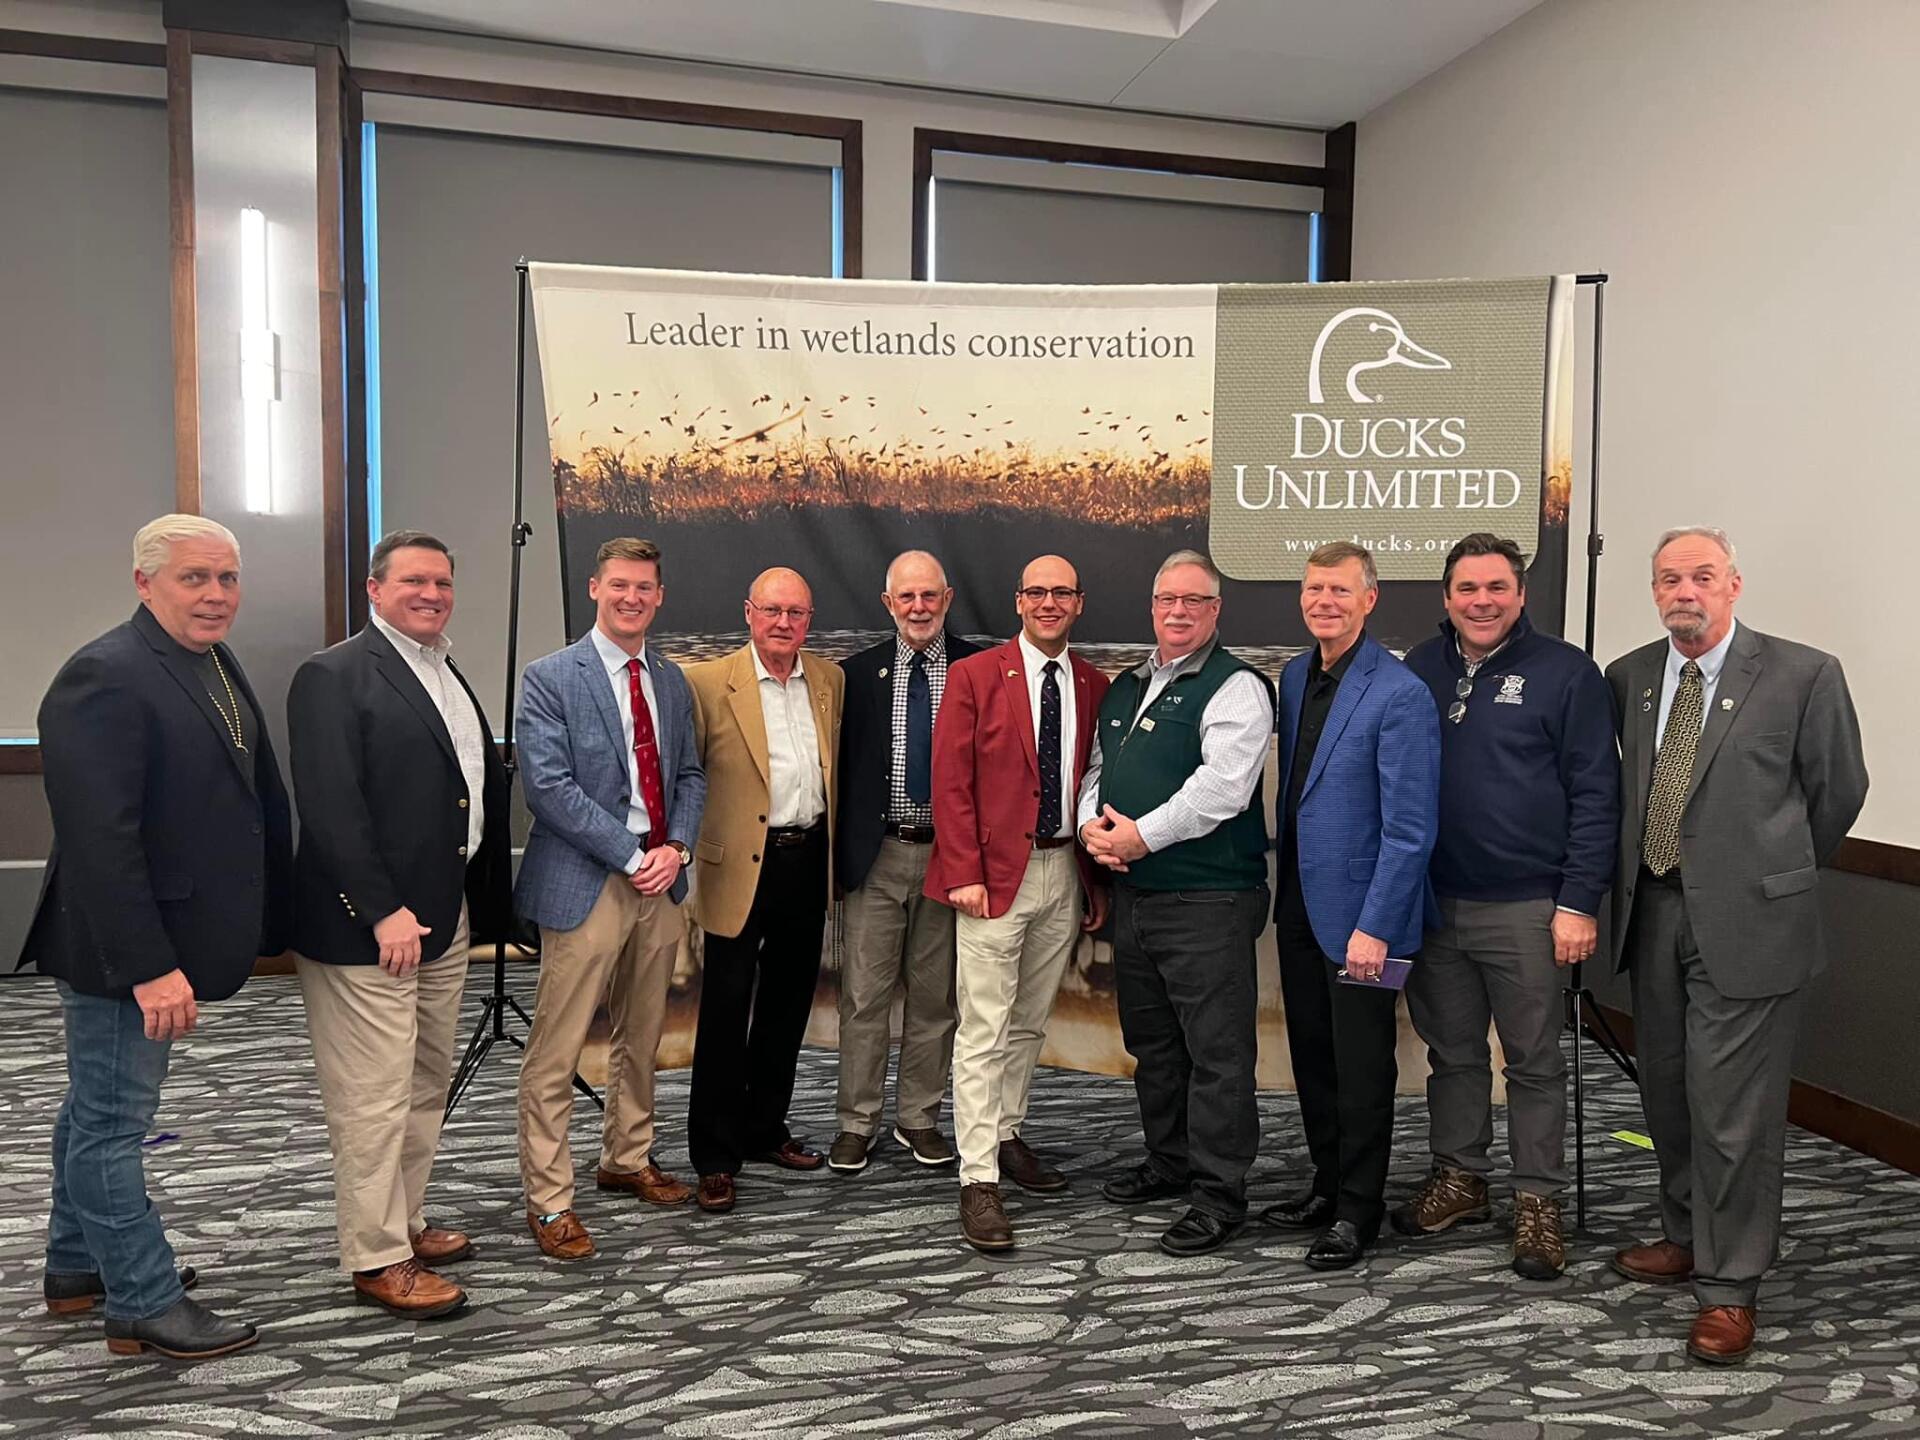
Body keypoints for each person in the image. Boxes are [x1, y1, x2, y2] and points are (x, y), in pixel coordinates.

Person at [21, 514, 292, 1359]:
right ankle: (141, 1300)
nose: (216, 596)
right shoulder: (103, 676)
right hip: (122, 952)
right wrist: (149, 968)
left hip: (166, 938)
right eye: (194, 579)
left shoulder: (204, 657)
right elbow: (102, 844)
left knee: (94, 1107)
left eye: (227, 579)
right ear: (145, 583)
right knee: (113, 1123)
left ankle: (74, 1265)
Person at [1605, 526, 1866, 1365]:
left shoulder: (1802, 674)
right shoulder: (1632, 678)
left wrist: (1770, 873)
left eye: (1702, 577)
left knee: (1735, 1117)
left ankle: (1730, 1286)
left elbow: (1837, 793)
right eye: (1670, 578)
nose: (1685, 591)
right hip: (1654, 915)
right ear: (1654, 590)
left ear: (1734, 584)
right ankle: (1686, 1236)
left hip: (1752, 925)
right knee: (1670, 1098)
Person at [287, 530, 510, 1316]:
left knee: (422, 1085)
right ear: (374, 589)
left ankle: (402, 1220)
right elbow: (332, 809)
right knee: (373, 1096)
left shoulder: (443, 670)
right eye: (415, 581)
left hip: (442, 921)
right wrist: (382, 911)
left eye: (443, 582)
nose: (433, 594)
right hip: (371, 933)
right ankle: (376, 1256)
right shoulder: (332, 675)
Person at [1398, 533, 1619, 1279]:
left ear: (1520, 594)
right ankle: (1461, 1177)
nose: (1481, 601)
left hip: (1530, 906)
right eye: (1467, 589)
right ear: (1447, 596)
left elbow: (1597, 795)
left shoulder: (1566, 673)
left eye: (1496, 587)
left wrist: (1578, 901)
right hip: (1435, 903)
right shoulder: (1420, 669)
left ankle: (1537, 1201)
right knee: (1452, 1053)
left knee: (1531, 1062)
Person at [515, 537, 707, 1260]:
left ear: (659, 596)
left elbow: (690, 774)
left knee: (644, 1032)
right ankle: (549, 1200)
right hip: (586, 882)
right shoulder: (549, 677)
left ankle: (626, 1157)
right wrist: (631, 855)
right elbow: (549, 790)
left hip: (661, 883)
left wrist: (676, 849)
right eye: (619, 585)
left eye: (645, 588)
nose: (632, 597)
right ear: (596, 588)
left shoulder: (670, 678)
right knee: (557, 1048)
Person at [1082, 550, 1273, 1257]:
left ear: (1216, 611)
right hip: (1135, 896)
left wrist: (1140, 838)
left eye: (1195, 601)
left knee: (1217, 1054)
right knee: (1155, 1046)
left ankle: (1220, 1194)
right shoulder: (1128, 685)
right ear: (1152, 606)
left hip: (1207, 898)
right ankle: (1171, 1161)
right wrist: (1092, 829)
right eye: (1168, 599)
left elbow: (1222, 790)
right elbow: (1098, 770)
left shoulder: (1238, 687)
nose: (1179, 611)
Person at [926, 555, 1110, 1250]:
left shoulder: (1092, 683)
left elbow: (1094, 781)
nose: (1049, 602)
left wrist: (1092, 880)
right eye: (1037, 591)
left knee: (1030, 1021)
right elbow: (950, 782)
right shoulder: (976, 676)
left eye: (1062, 591)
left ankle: (1006, 1134)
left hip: (1063, 871)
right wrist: (963, 870)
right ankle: (978, 1180)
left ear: (1079, 603)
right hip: (992, 880)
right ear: (1018, 600)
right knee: (983, 1028)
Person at [1266, 540, 1439, 1271]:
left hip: (1369, 922)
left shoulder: (1400, 693)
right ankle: (1328, 1182)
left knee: (1363, 1065)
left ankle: (1359, 1211)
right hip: (1301, 906)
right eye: (1313, 590)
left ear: (1369, 600)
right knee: (1312, 1055)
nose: (1323, 602)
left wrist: (1376, 927)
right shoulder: (1296, 675)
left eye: (1339, 591)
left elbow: (1411, 829)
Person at [684, 568, 844, 1212]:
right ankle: (716, 1156)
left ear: (810, 619)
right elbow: (687, 780)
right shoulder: (705, 683)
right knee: (724, 1011)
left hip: (807, 860)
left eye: (797, 613)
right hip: (736, 868)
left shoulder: (829, 680)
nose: (784, 623)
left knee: (787, 1006)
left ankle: (764, 1128)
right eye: (773, 610)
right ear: (749, 611)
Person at [830, 552, 978, 1173]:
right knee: (863, 997)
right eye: (906, 598)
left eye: (929, 596)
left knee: (936, 998)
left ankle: (919, 1118)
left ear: (947, 597)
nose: (919, 608)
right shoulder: (853, 675)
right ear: (888, 603)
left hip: (949, 856)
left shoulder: (982, 667)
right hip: (878, 854)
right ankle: (856, 1122)